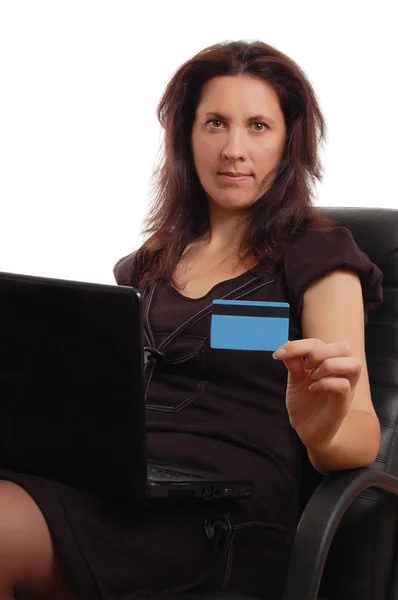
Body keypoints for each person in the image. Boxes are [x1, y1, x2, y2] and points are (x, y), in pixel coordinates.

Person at [0, 40, 383, 600]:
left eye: (257, 126)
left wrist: (319, 426)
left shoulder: (318, 254)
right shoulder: (148, 265)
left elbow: (359, 436)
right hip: (126, 490)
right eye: (214, 123)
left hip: (223, 525)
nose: (234, 149)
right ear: (185, 136)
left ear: (288, 141)